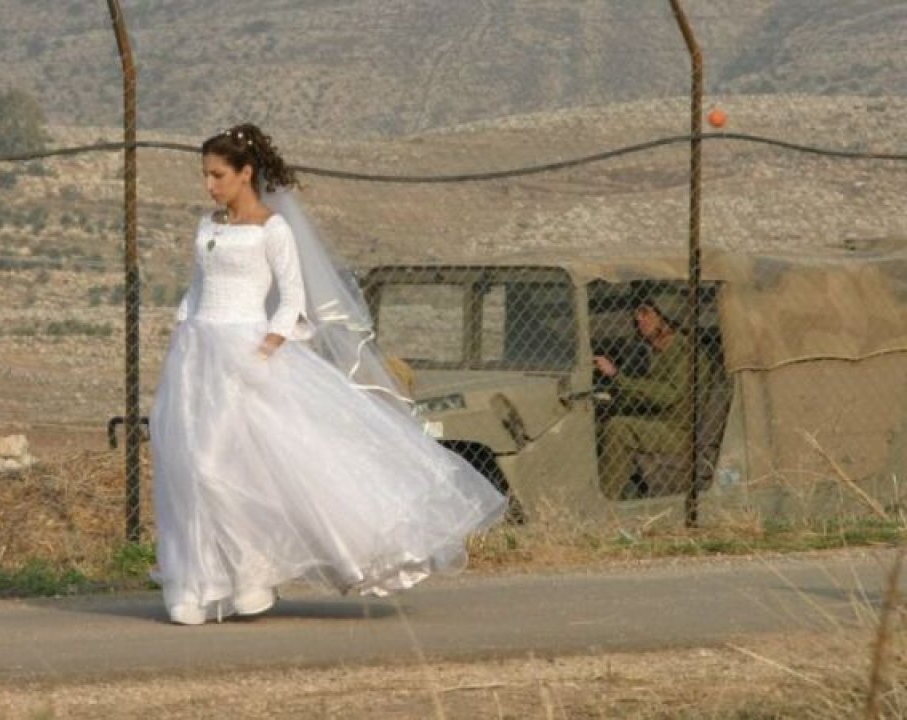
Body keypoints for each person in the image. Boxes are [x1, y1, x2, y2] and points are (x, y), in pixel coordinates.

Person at [149, 123, 508, 626]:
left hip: (248, 354)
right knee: (192, 469)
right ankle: (201, 583)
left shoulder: (272, 229)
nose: (209, 185)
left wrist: (266, 348)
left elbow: (292, 299)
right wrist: (182, 330)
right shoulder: (208, 226)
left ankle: (253, 573)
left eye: (218, 175)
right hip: (197, 357)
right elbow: (197, 288)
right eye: (205, 175)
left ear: (245, 173)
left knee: (216, 467)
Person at [592, 290, 712, 500]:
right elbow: (642, 393)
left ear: (665, 315)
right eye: (637, 314)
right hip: (655, 424)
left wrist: (616, 376)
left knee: (619, 429)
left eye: (645, 312)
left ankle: (605, 500)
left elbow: (668, 394)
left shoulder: (686, 351)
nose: (639, 319)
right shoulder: (650, 351)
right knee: (595, 427)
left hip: (679, 434)